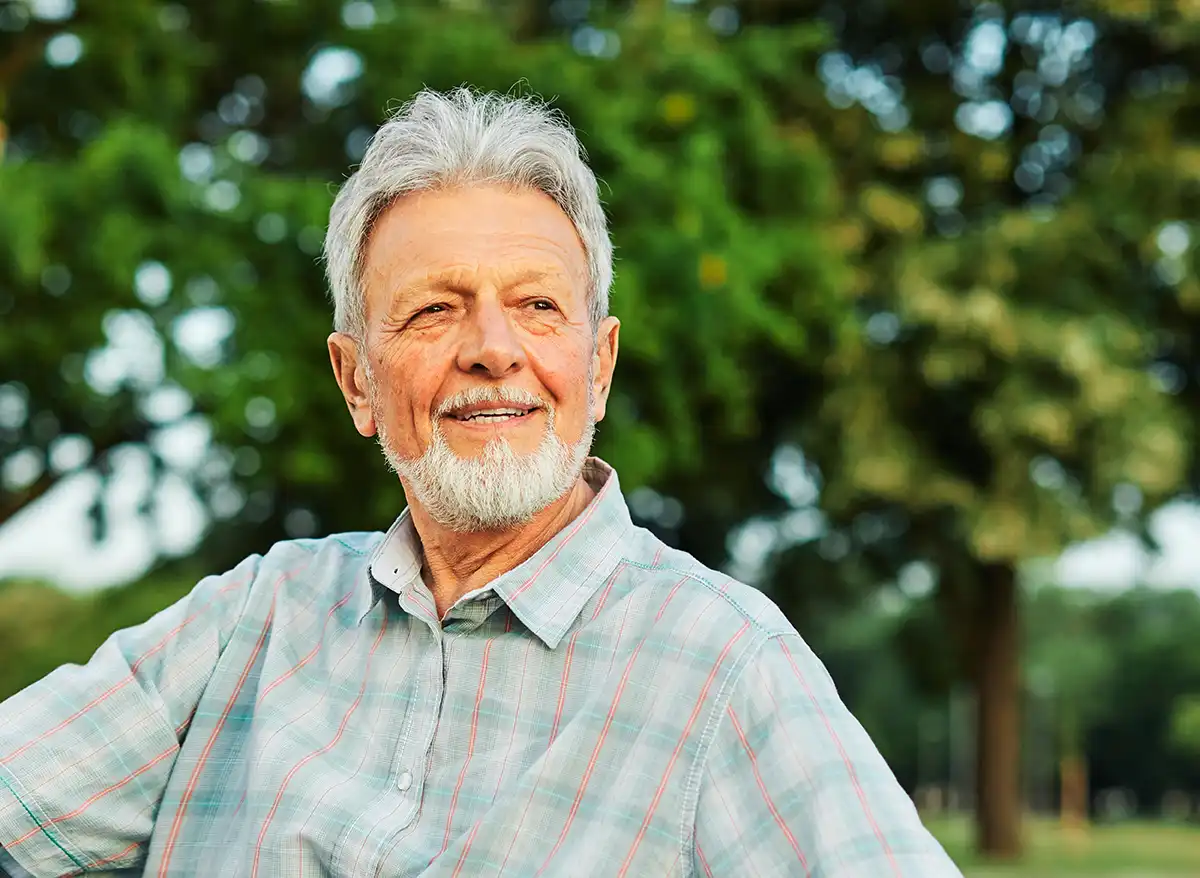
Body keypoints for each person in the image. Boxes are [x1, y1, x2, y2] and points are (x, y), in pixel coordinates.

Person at [0, 88, 961, 878]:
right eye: (433, 311)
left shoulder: (724, 664)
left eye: (538, 307)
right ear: (356, 381)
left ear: (600, 365)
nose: (493, 351)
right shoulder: (254, 617)